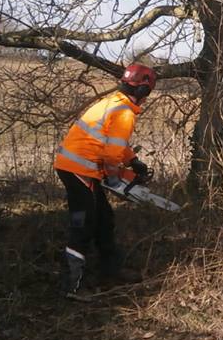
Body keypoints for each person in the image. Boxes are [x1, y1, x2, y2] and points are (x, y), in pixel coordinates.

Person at [53, 63, 156, 301]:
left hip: (77, 167)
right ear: (143, 90)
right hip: (80, 169)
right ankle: (72, 286)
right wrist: (114, 178)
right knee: (83, 224)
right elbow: (111, 156)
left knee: (104, 218)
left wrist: (133, 161)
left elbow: (113, 141)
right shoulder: (125, 112)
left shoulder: (113, 102)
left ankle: (111, 270)